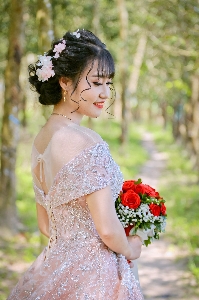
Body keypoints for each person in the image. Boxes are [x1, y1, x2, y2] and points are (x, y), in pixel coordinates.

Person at [7, 29, 144, 300]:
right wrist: (131, 247)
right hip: (96, 278)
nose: (105, 93)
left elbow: (46, 226)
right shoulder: (86, 142)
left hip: (52, 268)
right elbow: (106, 229)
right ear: (65, 82)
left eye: (108, 83)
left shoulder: (40, 142)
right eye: (95, 82)